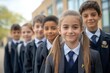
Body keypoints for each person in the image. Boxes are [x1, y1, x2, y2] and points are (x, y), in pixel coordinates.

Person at [79, 1, 110, 73]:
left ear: (100, 16)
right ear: (81, 19)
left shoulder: (108, 39)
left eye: (93, 15)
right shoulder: (77, 42)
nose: (90, 18)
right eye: (85, 16)